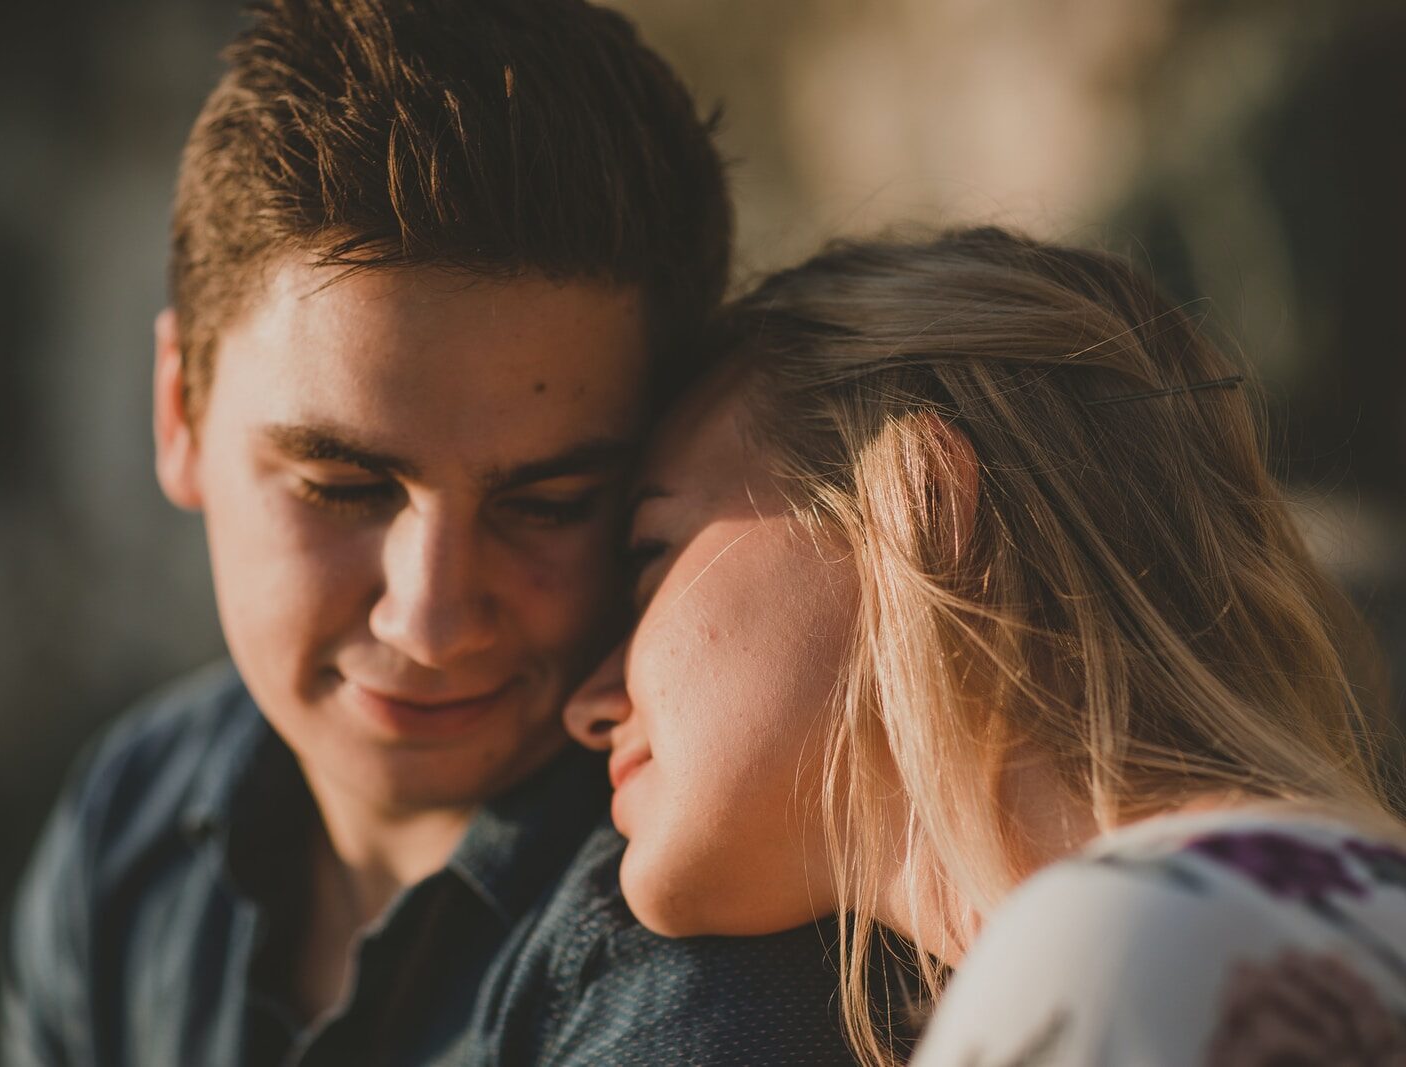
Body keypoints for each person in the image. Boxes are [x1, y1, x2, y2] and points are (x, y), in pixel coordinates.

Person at [0, 2, 859, 1064]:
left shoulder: (711, 949)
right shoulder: (130, 817)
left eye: (547, 503)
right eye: (342, 484)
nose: (432, 617)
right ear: (177, 411)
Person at [565, 227, 1406, 1066]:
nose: (587, 703)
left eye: (650, 553)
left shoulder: (1119, 952)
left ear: (914, 505)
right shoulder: (1316, 905)